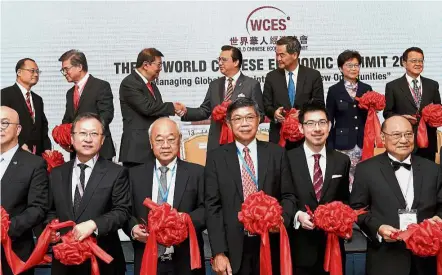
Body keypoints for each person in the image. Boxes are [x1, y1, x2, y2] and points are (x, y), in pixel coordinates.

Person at [205, 97, 296, 275]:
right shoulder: (216, 158)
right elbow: (212, 207)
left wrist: (281, 220)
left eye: (249, 117)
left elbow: (288, 196)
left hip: (271, 241)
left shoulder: (276, 153)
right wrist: (218, 252)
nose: (244, 123)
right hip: (234, 248)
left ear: (259, 120)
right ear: (229, 124)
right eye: (237, 119)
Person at [350, 115, 442, 275]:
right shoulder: (366, 170)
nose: (404, 139)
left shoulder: (432, 169)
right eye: (396, 135)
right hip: (385, 258)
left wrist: (439, 220)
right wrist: (378, 228)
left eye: (408, 134)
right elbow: (358, 209)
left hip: (425, 258)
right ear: (383, 138)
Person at [46, 112, 131, 275]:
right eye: (83, 133)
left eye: (94, 134)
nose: (88, 139)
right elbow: (49, 210)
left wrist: (94, 224)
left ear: (102, 139)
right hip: (65, 260)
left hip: (102, 260)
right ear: (72, 138)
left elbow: (122, 212)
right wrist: (53, 230)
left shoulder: (117, 172)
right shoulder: (57, 173)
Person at [124, 117, 205, 275]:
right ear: (150, 142)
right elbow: (125, 211)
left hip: (185, 261)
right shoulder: (134, 175)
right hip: (147, 258)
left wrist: (184, 221)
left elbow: (208, 210)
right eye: (159, 140)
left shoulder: (198, 173)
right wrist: (133, 229)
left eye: (171, 139)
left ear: (179, 140)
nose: (165, 145)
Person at [287, 100, 350, 275]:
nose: (317, 129)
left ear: (329, 126)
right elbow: (283, 197)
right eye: (310, 123)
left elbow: (344, 199)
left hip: (333, 247)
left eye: (322, 123)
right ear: (301, 128)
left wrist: (340, 218)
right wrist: (297, 216)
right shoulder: (287, 159)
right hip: (299, 247)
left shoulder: (341, 160)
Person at [177, 45, 264, 152]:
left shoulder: (251, 85)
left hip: (241, 140)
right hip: (217, 142)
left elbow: (260, 115)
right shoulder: (214, 85)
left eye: (224, 60)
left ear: (236, 62)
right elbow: (204, 111)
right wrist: (184, 111)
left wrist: (239, 119)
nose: (220, 63)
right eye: (219, 59)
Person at [0, 106, 49, 275]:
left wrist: (6, 229)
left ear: (18, 129)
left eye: (4, 123)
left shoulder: (34, 164)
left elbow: (38, 208)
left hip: (15, 250)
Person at [119, 48, 184, 168]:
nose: (160, 69)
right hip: (137, 151)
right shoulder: (130, 83)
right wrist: (172, 107)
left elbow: (158, 112)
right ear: (145, 65)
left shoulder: (151, 85)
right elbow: (147, 108)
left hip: (151, 150)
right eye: (158, 65)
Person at [263, 36, 324, 150]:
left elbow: (319, 104)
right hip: (279, 137)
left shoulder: (313, 76)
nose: (278, 59)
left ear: (294, 55)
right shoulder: (271, 77)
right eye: (277, 55)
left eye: (282, 55)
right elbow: (266, 106)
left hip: (306, 136)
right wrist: (274, 113)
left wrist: (302, 113)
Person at [384, 47, 441, 162]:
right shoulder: (393, 86)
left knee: (428, 175)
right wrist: (401, 118)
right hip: (403, 140)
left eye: (421, 61)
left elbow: (438, 109)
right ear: (404, 63)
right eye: (414, 61)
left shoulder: (432, 85)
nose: (418, 64)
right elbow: (387, 113)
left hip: (428, 141)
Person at [326, 50, 373, 187]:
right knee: (343, 179)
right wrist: (329, 145)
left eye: (356, 65)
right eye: (349, 65)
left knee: (364, 177)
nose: (353, 68)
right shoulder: (334, 90)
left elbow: (370, 117)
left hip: (363, 141)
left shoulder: (366, 88)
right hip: (342, 143)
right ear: (341, 68)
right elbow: (329, 118)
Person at [59, 49, 116, 160]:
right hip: (77, 152)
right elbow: (67, 120)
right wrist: (64, 138)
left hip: (100, 150)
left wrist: (89, 136)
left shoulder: (101, 86)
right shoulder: (70, 93)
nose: (65, 73)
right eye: (63, 70)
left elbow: (106, 115)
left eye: (66, 69)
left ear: (79, 67)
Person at [1, 58, 51, 156]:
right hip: (14, 152)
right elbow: (3, 125)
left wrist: (47, 148)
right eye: (32, 71)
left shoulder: (38, 99)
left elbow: (43, 127)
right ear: (19, 72)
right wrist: (19, 143)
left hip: (37, 156)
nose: (36, 74)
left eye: (37, 71)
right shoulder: (5, 94)